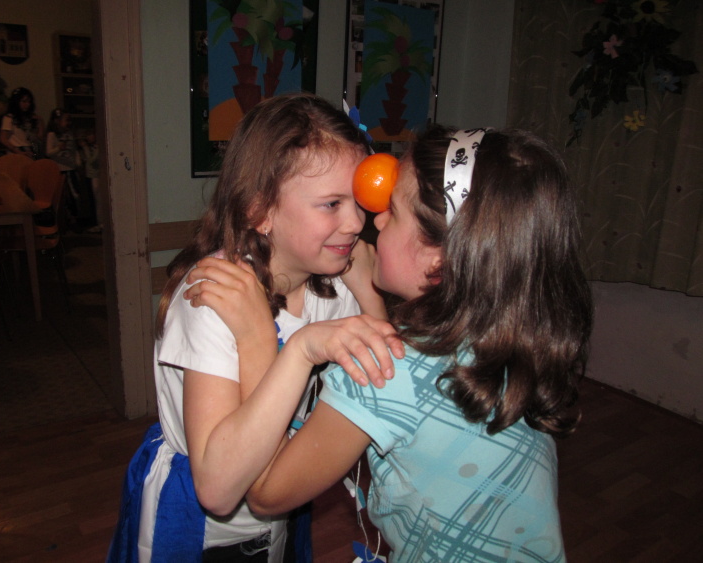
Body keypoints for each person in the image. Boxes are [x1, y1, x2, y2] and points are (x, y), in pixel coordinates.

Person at [190, 126, 594, 562]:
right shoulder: (511, 336)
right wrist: (370, 296)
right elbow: (409, 392)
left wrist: (259, 340)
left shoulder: (386, 374)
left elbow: (266, 493)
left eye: (394, 212)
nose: (373, 221)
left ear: (439, 258)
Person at [107, 93, 396, 563]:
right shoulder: (215, 298)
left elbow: (391, 393)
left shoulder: (336, 285)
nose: (355, 222)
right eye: (331, 204)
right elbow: (218, 490)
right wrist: (277, 341)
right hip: (200, 529)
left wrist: (370, 295)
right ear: (260, 211)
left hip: (280, 509)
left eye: (357, 201)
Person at [45, 108, 84, 229]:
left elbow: (74, 150)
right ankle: (65, 221)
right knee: (62, 197)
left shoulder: (70, 134)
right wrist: (59, 148)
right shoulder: (52, 135)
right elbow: (48, 152)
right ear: (57, 121)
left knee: (75, 195)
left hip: (71, 169)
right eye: (66, 120)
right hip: (60, 170)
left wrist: (78, 163)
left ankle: (74, 219)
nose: (68, 123)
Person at [0, 87, 44, 159]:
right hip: (16, 150)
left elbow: (39, 137)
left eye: (29, 102)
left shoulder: (31, 118)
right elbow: (3, 138)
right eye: (24, 101)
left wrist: (40, 122)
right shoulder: (9, 118)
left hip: (31, 149)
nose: (27, 104)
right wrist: (17, 151)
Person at [78, 129, 102, 233]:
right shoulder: (92, 147)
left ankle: (100, 224)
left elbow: (91, 161)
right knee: (93, 201)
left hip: (96, 177)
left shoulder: (97, 147)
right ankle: (97, 223)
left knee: (98, 201)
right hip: (90, 176)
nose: (88, 137)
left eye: (90, 134)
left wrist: (85, 148)